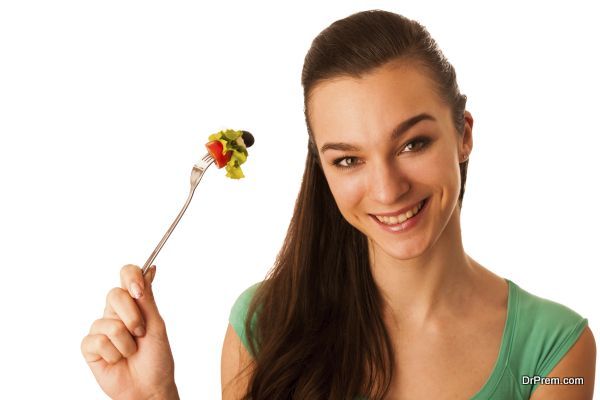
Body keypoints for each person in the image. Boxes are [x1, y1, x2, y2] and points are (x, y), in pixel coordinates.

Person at [81, 9, 596, 400]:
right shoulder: (264, 324)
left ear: (462, 135)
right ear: (323, 170)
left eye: (413, 144)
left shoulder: (553, 353)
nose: (388, 188)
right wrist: (153, 397)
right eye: (349, 160)